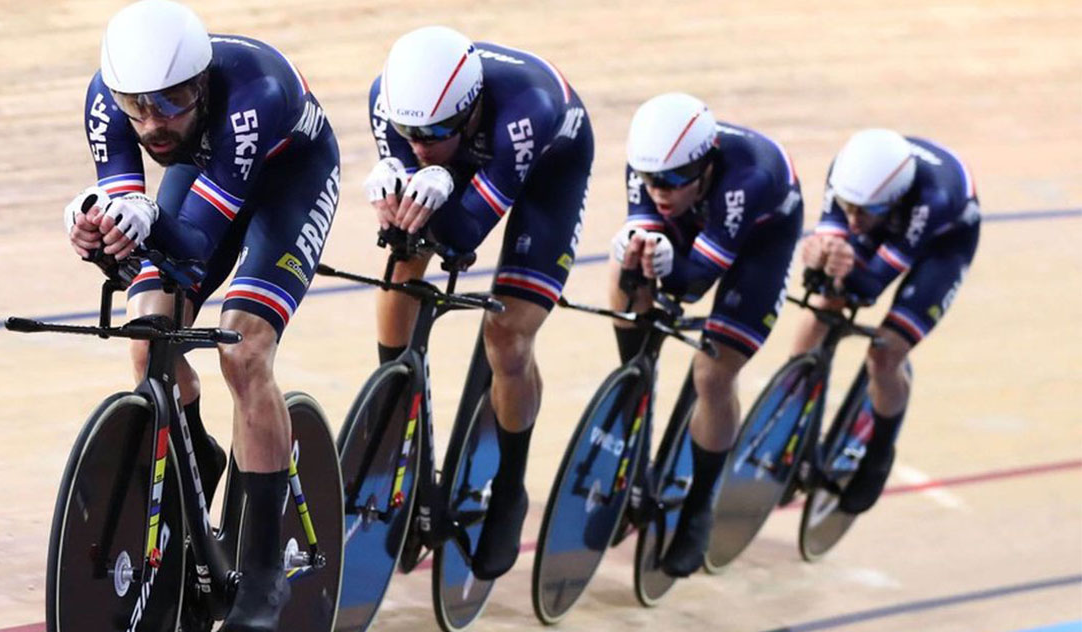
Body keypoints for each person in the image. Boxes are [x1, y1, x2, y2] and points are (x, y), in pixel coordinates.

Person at [61, 0, 340, 632]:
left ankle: (265, 564)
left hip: (287, 183)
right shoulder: (108, 98)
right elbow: (134, 221)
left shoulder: (253, 93)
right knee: (145, 332)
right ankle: (197, 453)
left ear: (204, 83)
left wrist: (145, 226)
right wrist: (96, 229)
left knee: (243, 347)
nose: (153, 124)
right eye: (139, 108)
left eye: (172, 103)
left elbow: (193, 243)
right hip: (206, 170)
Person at [362, 26, 594, 580]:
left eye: (435, 130)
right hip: (468, 156)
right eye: (406, 131)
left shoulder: (527, 110)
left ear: (470, 111)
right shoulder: (388, 101)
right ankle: (396, 407)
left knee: (507, 336)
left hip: (544, 171)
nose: (417, 143)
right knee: (405, 252)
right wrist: (400, 184)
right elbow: (415, 203)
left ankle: (510, 489)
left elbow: (464, 236)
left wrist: (441, 182)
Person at [610, 92, 802, 577]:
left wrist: (670, 268)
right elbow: (649, 232)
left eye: (673, 180)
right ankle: (636, 387)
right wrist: (640, 247)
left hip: (759, 244)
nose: (659, 191)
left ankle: (699, 507)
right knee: (623, 273)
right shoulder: (653, 167)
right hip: (700, 219)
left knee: (713, 374)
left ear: (706, 165)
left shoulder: (747, 178)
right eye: (650, 180)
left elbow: (694, 284)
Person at [792, 128, 978, 514]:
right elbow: (834, 239)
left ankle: (878, 455)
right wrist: (819, 253)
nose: (854, 220)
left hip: (943, 245)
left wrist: (846, 269)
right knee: (824, 306)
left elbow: (870, 285)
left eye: (865, 212)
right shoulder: (846, 176)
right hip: (891, 220)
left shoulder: (933, 198)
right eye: (848, 207)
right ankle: (790, 418)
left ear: (893, 199)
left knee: (885, 353)